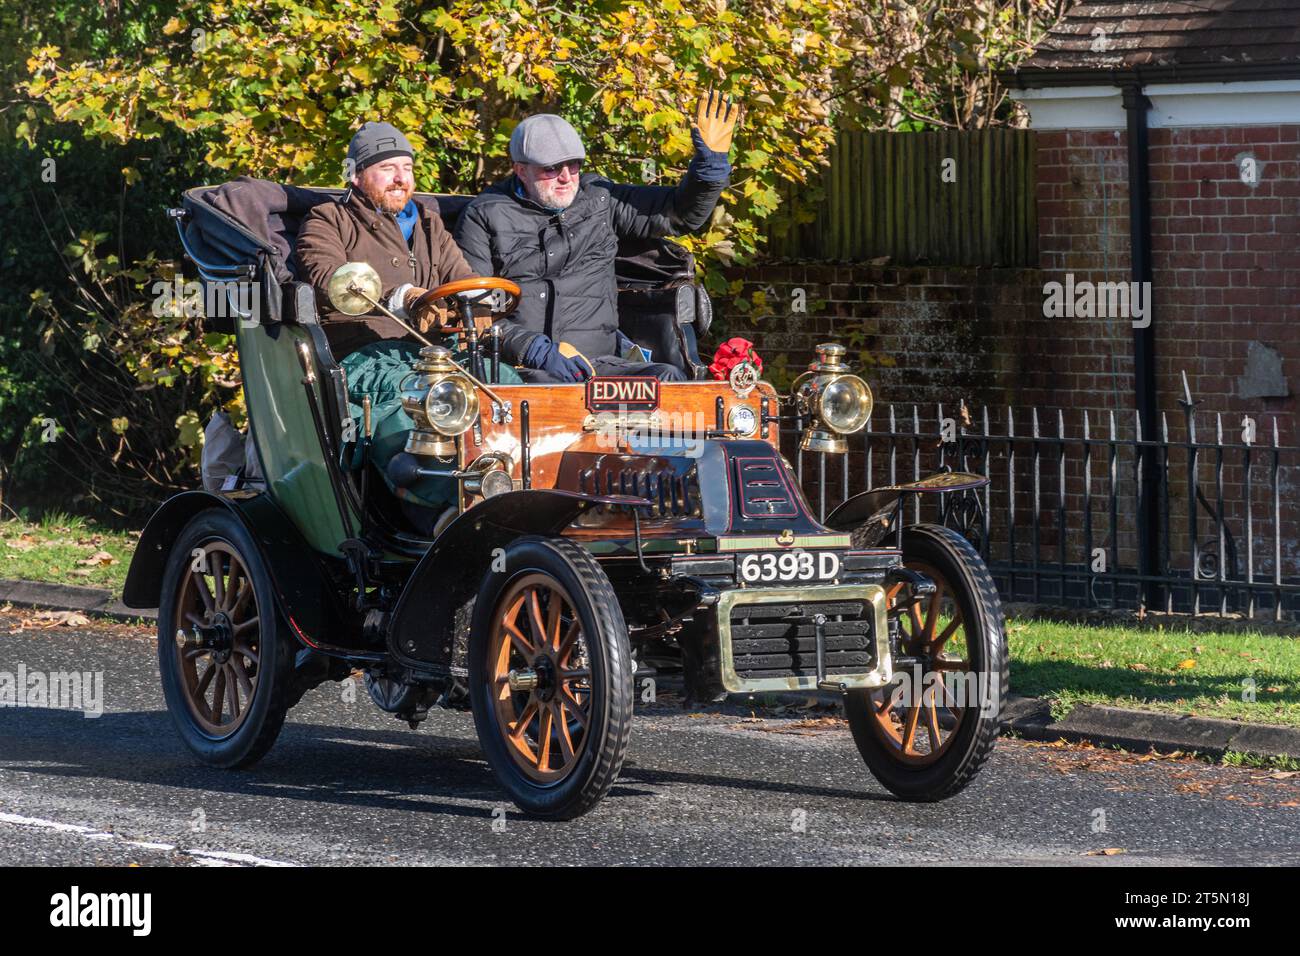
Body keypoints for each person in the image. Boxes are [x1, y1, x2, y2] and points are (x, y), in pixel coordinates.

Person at [295, 122, 520, 525]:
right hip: (363, 356)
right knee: (417, 404)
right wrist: (400, 299)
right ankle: (440, 511)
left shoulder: (431, 226)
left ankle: (519, 490)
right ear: (356, 174)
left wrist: (477, 303)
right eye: (387, 169)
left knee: (507, 385)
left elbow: (463, 282)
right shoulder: (328, 220)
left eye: (407, 168)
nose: (401, 178)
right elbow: (330, 280)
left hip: (435, 355)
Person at [453, 90, 741, 383]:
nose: (566, 177)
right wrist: (534, 350)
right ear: (520, 170)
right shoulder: (485, 214)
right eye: (551, 168)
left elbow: (679, 215)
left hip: (598, 364)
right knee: (545, 389)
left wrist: (709, 168)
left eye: (574, 164)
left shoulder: (600, 199)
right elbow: (474, 311)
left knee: (666, 378)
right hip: (525, 368)